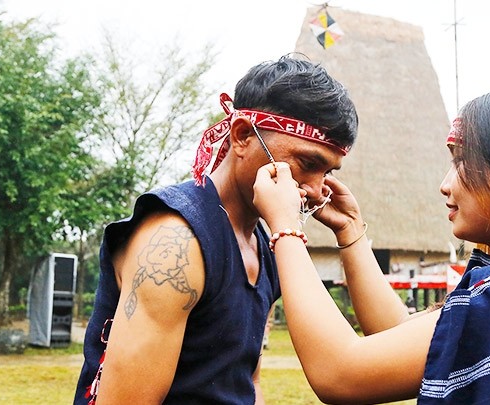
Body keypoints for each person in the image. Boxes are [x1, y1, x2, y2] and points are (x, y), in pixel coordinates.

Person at [253, 83, 490, 404]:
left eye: (460, 161)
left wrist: (285, 228)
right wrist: (351, 231)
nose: (445, 184)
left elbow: (340, 372)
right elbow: (403, 333)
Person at [73, 55, 358, 404]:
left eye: (328, 173)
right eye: (307, 163)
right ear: (241, 136)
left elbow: (247, 381)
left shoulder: (265, 246)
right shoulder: (177, 238)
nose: (316, 190)